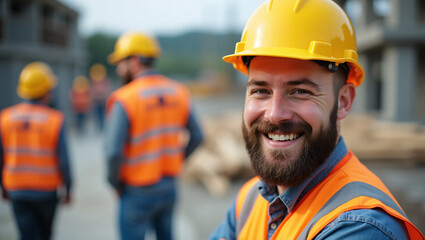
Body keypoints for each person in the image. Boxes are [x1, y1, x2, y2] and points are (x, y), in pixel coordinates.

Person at [209, 0, 424, 239]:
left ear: (343, 101)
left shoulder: (360, 226)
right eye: (261, 91)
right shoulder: (249, 200)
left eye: (300, 91)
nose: (275, 114)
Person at [104, 32, 204, 240]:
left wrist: (115, 183)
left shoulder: (125, 98)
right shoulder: (179, 91)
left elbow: (113, 151)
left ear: (133, 61)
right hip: (168, 187)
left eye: (121, 62)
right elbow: (197, 136)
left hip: (135, 191)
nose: (118, 68)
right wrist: (176, 160)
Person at [0, 62, 72, 240]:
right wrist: (69, 188)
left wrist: (3, 186)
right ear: (46, 90)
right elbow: (64, 160)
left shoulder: (6, 118)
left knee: (26, 234)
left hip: (16, 189)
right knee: (44, 234)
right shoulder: (55, 119)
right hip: (45, 191)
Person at [89, 63, 111, 131]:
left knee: (101, 114)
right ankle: (99, 126)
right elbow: (91, 90)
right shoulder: (94, 81)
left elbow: (107, 89)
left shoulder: (105, 80)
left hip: (102, 100)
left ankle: (101, 126)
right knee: (98, 114)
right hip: (97, 100)